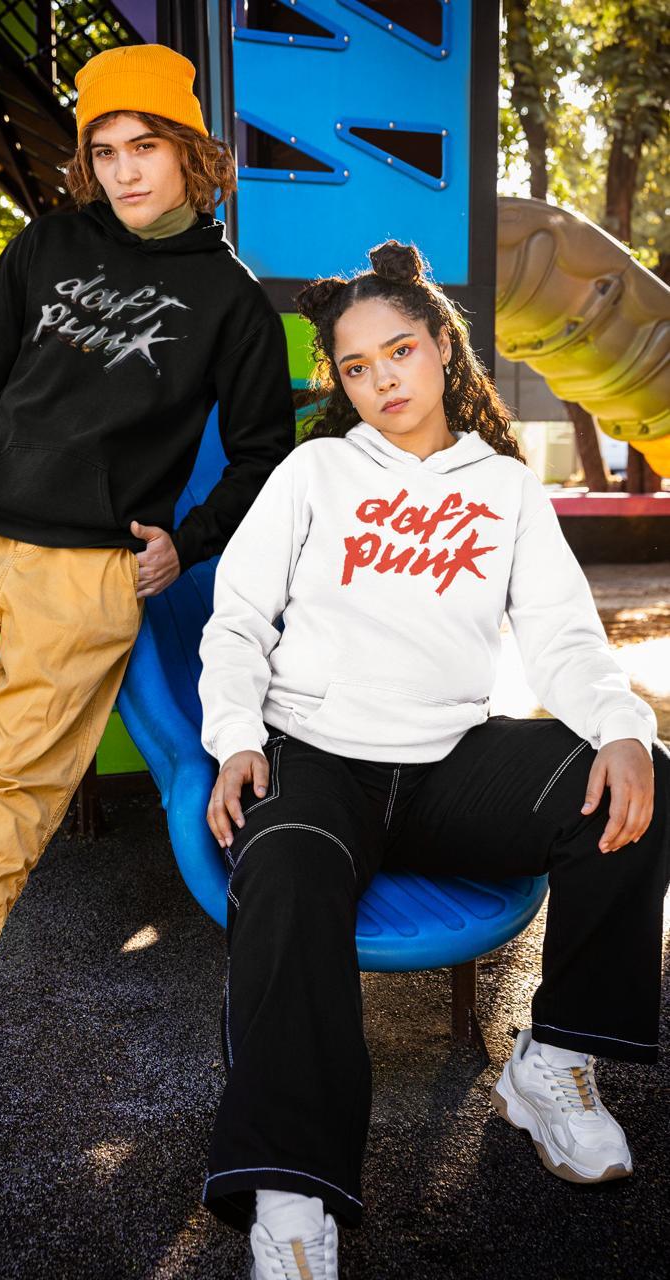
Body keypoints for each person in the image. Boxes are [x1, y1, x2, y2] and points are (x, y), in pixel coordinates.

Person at [0, 42, 295, 1143]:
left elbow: (263, 454)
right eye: (105, 150)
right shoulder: (48, 244)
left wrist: (186, 541)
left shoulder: (231, 300)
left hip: (89, 569)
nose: (124, 171)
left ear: (192, 155)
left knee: (13, 793)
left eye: (146, 148)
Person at [197, 241, 669, 1280]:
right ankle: (292, 1188)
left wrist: (619, 726)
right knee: (284, 874)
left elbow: (563, 638)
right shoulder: (314, 472)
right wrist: (235, 738)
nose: (382, 380)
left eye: (399, 350)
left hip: (449, 762)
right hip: (317, 758)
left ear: (442, 345)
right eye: (356, 366)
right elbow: (235, 621)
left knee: (640, 775)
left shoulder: (504, 489)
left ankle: (551, 1062)